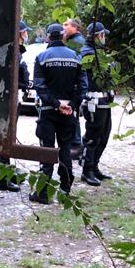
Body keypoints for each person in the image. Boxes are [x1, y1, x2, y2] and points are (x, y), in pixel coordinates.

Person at [30, 23, 87, 204]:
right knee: (65, 150)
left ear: (48, 37)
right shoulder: (76, 57)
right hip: (68, 113)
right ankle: (65, 191)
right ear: (62, 36)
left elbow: (39, 86)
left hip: (48, 112)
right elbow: (83, 85)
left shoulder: (41, 57)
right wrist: (71, 104)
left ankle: (43, 193)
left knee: (47, 151)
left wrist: (54, 104)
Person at [0, 21, 31, 191]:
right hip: (8, 100)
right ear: (19, 33)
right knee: (6, 139)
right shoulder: (13, 51)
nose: (26, 34)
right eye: (24, 32)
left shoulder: (7, 49)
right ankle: (2, 180)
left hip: (4, 98)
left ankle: (4, 174)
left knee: (4, 137)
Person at [81, 22, 114, 185]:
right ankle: (87, 170)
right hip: (93, 99)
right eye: (103, 35)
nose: (104, 38)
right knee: (93, 136)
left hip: (105, 99)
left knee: (104, 134)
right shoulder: (88, 53)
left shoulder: (99, 53)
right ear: (97, 36)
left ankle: (94, 166)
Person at [62, 18, 87, 160]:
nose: (63, 27)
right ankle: (75, 144)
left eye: (66, 25)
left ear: (75, 27)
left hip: (73, 85)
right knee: (72, 115)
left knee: (72, 114)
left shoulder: (75, 43)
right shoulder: (74, 41)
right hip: (75, 84)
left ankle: (76, 146)